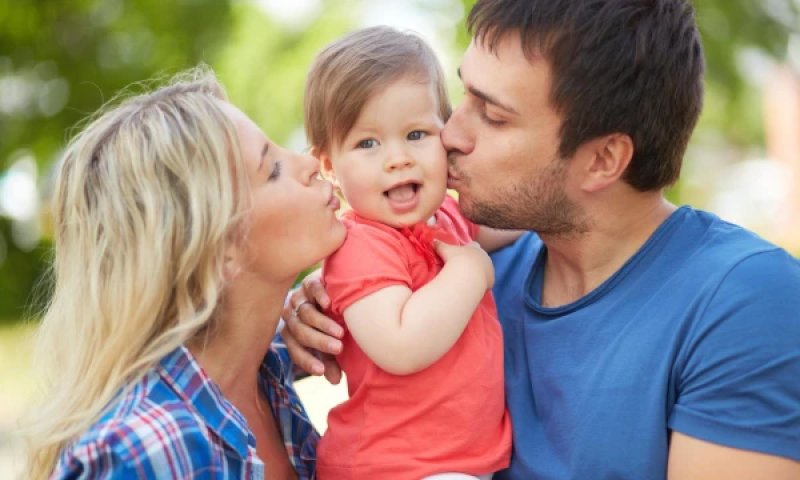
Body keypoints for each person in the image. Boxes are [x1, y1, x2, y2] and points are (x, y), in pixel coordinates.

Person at [283, 1, 800, 479]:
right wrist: (315, 304)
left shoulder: (741, 303)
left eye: (493, 115)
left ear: (602, 160)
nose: (451, 134)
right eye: (464, 96)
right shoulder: (467, 269)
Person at [23, 66, 346, 479]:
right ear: (218, 247)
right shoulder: (140, 452)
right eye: (273, 170)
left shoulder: (263, 365)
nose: (310, 163)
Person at [301, 26, 515, 479]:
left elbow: (516, 221)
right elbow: (400, 345)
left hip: (451, 464)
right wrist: (470, 272)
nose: (397, 158)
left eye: (417, 134)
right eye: (368, 143)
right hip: (391, 467)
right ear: (329, 167)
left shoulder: (447, 216)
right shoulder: (358, 246)